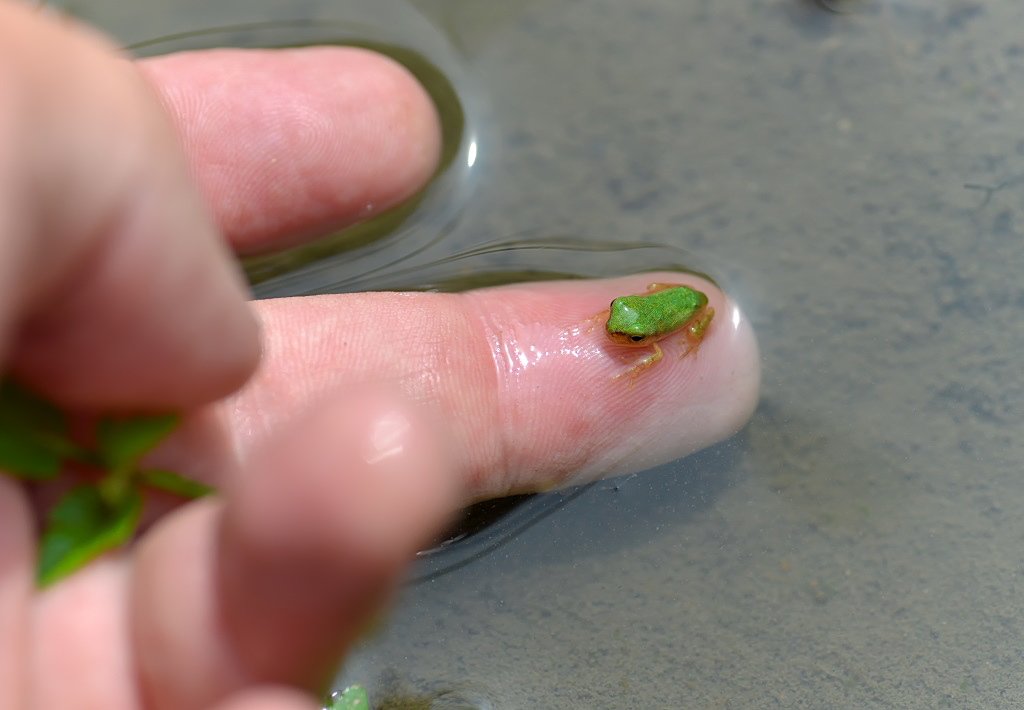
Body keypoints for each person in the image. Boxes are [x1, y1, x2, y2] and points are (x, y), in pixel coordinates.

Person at [0, 2, 760, 708]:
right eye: (622, 327)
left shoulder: (660, 322)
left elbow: (668, 314)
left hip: (678, 310)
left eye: (626, 332)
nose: (618, 331)